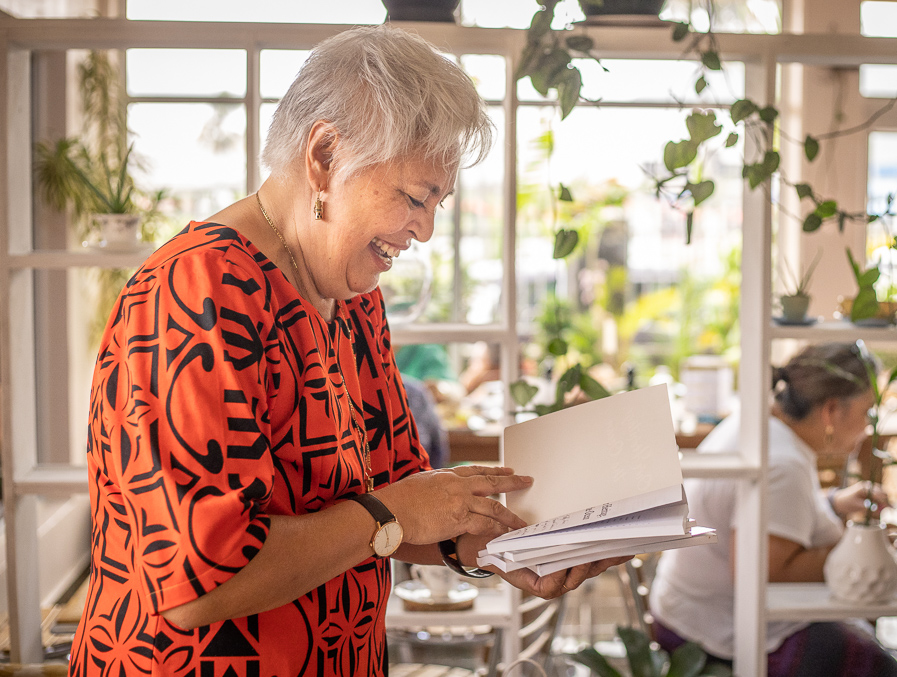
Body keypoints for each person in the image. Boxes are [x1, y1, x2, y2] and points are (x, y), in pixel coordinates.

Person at [69, 25, 626, 677]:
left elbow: (399, 510)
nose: (426, 229)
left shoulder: (354, 299)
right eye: (415, 198)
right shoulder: (196, 292)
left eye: (438, 202)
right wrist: (395, 510)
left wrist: (504, 542)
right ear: (326, 155)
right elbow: (199, 584)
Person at [649, 341, 897, 676]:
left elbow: (756, 519)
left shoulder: (759, 424)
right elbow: (767, 571)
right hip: (712, 631)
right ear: (831, 410)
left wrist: (832, 504)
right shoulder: (783, 464)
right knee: (879, 666)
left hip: (682, 610)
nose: (867, 429)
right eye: (866, 413)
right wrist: (866, 549)